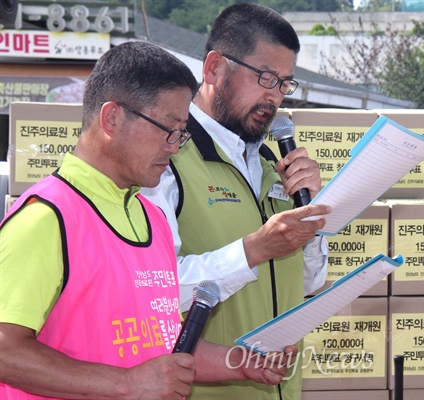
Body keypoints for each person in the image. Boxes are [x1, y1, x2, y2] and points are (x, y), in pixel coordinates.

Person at [0, 41, 297, 400]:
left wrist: (242, 362)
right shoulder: (47, 217)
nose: (176, 146)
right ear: (112, 118)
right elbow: (5, 349)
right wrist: (126, 385)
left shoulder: (151, 217)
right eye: (168, 128)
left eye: (182, 132)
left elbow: (155, 341)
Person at [141, 3, 332, 399]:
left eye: (285, 84)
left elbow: (309, 282)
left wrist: (312, 216)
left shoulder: (271, 163)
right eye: (264, 77)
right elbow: (151, 290)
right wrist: (253, 250)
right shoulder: (166, 161)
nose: (274, 96)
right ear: (213, 68)